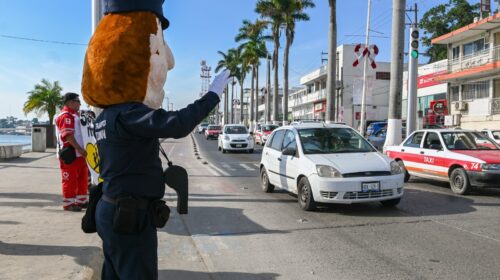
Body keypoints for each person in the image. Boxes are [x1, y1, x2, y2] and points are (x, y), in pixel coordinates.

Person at [80, 1, 231, 278]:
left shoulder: (105, 116)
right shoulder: (128, 114)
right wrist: (213, 94)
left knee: (113, 272)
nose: (169, 63)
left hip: (110, 209)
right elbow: (178, 124)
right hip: (129, 217)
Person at [54, 92, 89, 212]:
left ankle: (81, 201)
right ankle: (68, 204)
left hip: (80, 154)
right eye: (78, 101)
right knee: (70, 179)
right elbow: (68, 136)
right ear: (70, 102)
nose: (80, 104)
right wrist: (80, 149)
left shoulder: (75, 115)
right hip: (70, 154)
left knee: (82, 178)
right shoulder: (66, 116)